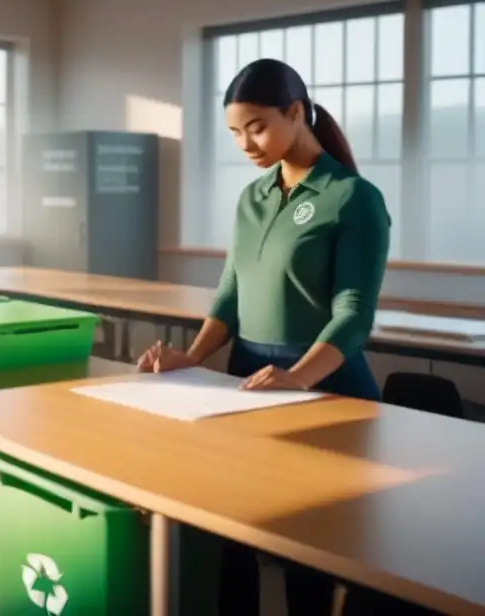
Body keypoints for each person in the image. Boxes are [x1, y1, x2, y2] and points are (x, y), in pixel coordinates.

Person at [136, 58, 391, 616]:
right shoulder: (252, 197)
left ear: (296, 113)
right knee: (234, 539)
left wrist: (297, 378)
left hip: (325, 391)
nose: (246, 142)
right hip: (248, 385)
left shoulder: (353, 198)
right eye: (234, 132)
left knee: (312, 561)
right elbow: (230, 292)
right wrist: (192, 357)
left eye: (256, 126)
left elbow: (353, 314)